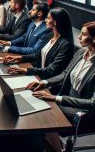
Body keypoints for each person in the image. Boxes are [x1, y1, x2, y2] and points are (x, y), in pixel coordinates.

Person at [28, 22, 95, 152]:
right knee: (39, 104)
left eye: (84, 34)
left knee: (45, 112)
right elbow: (65, 74)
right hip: (67, 100)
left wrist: (56, 98)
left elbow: (92, 103)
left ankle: (55, 148)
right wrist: (44, 82)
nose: (79, 37)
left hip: (83, 111)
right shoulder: (81, 52)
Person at [4, 8, 75, 80]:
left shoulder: (66, 45)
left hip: (48, 81)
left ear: (55, 22)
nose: (45, 20)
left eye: (48, 18)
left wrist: (26, 70)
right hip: (39, 75)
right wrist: (20, 58)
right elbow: (38, 54)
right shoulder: (50, 35)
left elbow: (51, 70)